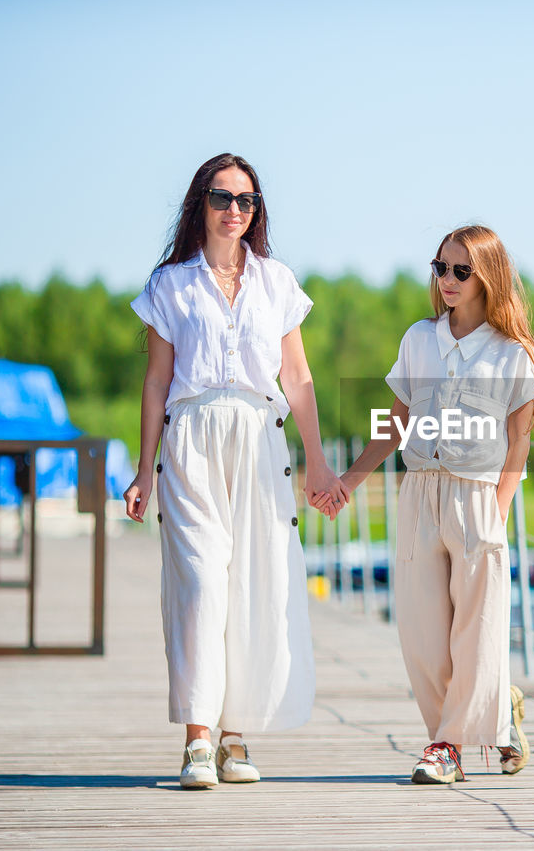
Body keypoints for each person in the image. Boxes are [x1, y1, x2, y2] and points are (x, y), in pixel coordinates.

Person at [123, 153, 348, 789]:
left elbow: (297, 378)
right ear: (201, 204)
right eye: (222, 198)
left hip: (259, 439)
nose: (233, 211)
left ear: (256, 211)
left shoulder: (277, 282)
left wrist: (319, 462)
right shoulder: (170, 285)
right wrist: (145, 470)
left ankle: (235, 735)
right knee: (200, 584)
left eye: (246, 201)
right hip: (190, 438)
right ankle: (198, 736)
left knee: (253, 583)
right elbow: (157, 382)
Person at [333, 224, 534, 784]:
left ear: (488, 278)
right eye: (440, 268)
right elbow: (394, 421)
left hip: (477, 497)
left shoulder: (512, 355)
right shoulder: (418, 340)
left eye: (460, 271)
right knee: (423, 635)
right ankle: (499, 710)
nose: (447, 280)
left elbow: (518, 442)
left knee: (475, 632)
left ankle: (445, 748)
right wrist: (350, 481)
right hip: (419, 493)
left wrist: (496, 513)